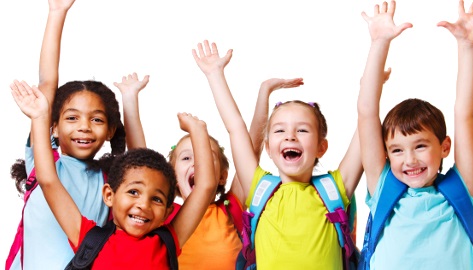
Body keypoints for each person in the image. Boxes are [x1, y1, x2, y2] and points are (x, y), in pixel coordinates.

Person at [11, 80, 219, 269]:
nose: (143, 205)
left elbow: (205, 187)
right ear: (109, 195)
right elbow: (48, 181)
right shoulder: (90, 239)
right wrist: (39, 117)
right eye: (134, 192)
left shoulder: (167, 243)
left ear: (167, 211)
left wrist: (198, 130)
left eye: (156, 199)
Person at [192, 40, 363, 270]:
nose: (290, 136)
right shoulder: (259, 188)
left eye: (302, 130)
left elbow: (367, 121)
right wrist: (215, 75)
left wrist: (374, 77)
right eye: (280, 130)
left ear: (321, 147)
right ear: (269, 148)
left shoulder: (335, 189)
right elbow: (235, 127)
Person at [357, 0, 473, 269]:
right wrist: (379, 43)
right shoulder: (383, 186)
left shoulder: (460, 188)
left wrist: (467, 47)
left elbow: (465, 113)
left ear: (445, 147)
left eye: (420, 146)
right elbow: (366, 112)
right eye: (397, 150)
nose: (409, 159)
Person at [114, 72, 304, 269]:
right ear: (173, 177)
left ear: (222, 176)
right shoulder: (165, 214)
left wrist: (264, 93)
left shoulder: (230, 209)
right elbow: (140, 163)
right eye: (186, 158)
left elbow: (250, 151)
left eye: (206, 158)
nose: (197, 164)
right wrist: (129, 99)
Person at [6, 0, 126, 269]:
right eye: (72, 118)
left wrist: (131, 100)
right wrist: (56, 13)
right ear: (53, 126)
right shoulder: (45, 162)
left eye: (96, 119)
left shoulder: (110, 181)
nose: (83, 126)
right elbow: (47, 84)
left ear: (110, 131)